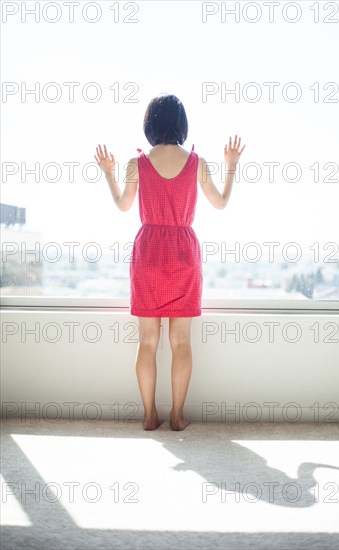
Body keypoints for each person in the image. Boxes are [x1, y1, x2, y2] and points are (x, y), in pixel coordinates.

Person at [94, 93, 245, 431]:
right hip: (183, 254)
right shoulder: (197, 162)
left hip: (148, 252)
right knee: (180, 342)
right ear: (182, 124)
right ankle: (176, 415)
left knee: (147, 340)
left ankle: (149, 415)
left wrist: (108, 173)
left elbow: (122, 206)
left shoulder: (137, 164)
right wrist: (232, 165)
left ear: (149, 125)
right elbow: (219, 203)